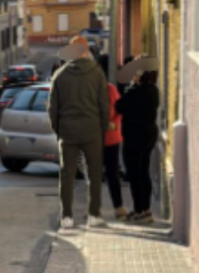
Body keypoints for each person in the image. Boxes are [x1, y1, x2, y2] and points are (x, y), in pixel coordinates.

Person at [48, 35, 109, 230]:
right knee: (94, 174)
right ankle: (93, 214)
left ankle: (67, 216)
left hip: (68, 131)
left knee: (67, 174)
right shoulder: (97, 74)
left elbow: (52, 109)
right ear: (86, 51)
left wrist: (59, 130)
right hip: (92, 130)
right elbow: (104, 106)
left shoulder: (60, 75)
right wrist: (102, 128)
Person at [116, 56, 161, 224]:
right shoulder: (153, 90)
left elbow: (120, 106)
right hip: (149, 134)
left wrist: (131, 86)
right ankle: (146, 209)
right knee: (144, 172)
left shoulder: (136, 91)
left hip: (135, 136)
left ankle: (139, 210)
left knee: (135, 174)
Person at [103, 81, 128, 220]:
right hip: (94, 137)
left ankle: (118, 207)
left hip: (109, 137)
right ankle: (94, 209)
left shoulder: (109, 89)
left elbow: (117, 110)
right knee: (99, 174)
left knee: (111, 173)